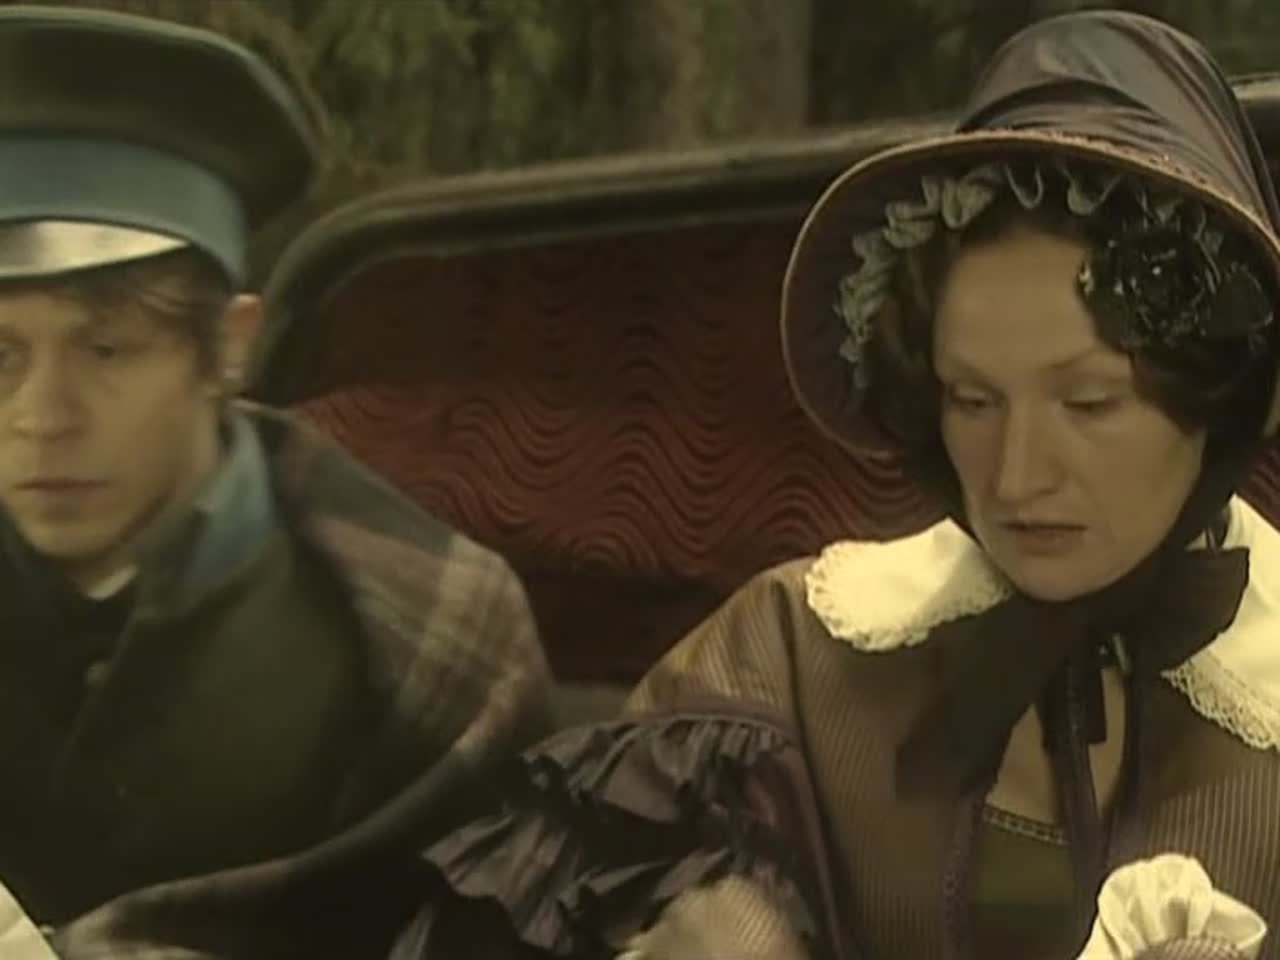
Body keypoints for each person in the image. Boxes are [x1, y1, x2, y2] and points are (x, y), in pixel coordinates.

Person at [390, 11, 1280, 960]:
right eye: (972, 399)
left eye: (1090, 403)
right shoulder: (792, 657)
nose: (1016, 474)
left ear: (1218, 401)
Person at [0, 6, 553, 958]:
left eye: (107, 348)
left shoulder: (422, 644)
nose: (42, 416)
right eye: (0, 356)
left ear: (228, 347)